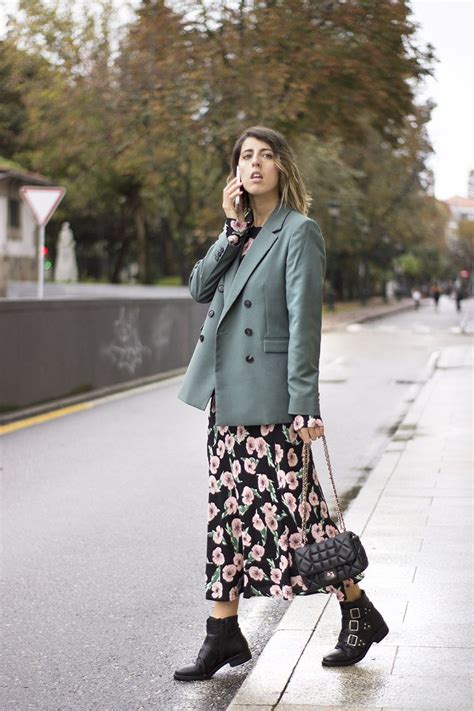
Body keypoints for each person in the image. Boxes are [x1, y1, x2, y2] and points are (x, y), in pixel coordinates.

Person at [174, 126, 388, 681]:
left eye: (266, 155)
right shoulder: (239, 234)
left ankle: (357, 609)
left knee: (298, 515)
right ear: (236, 173)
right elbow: (198, 288)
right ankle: (222, 632)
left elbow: (303, 326)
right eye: (246, 155)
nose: (255, 163)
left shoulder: (300, 232)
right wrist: (230, 229)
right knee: (227, 515)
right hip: (227, 398)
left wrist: (305, 404)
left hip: (273, 402)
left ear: (282, 169)